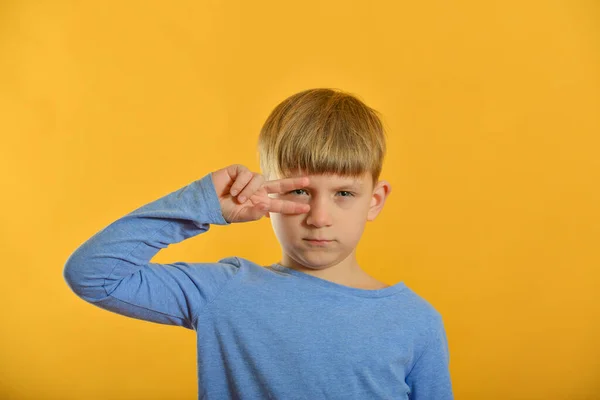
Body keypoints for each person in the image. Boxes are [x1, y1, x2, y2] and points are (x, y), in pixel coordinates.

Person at [63, 88, 454, 399]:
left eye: (344, 194)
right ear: (266, 195)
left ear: (375, 200)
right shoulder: (224, 292)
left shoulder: (416, 321)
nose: (318, 217)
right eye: (299, 191)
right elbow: (92, 275)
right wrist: (200, 204)